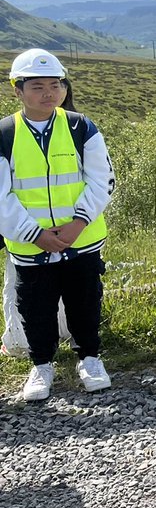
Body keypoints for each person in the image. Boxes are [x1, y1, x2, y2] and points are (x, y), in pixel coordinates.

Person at [0, 50, 116, 402]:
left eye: (56, 85)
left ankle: (90, 359)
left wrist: (77, 224)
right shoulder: (5, 133)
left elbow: (103, 180)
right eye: (37, 86)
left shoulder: (82, 126)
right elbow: (1, 195)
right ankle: (41, 365)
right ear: (18, 91)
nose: (49, 93)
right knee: (35, 306)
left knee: (85, 301)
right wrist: (35, 234)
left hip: (81, 239)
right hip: (30, 245)